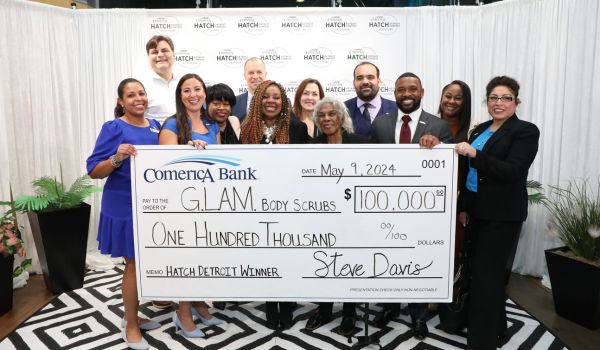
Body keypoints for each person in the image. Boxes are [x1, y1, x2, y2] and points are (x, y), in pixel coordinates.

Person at [455, 76, 539, 350]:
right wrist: (465, 207)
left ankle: (481, 341)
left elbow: (513, 171)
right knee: (481, 275)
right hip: (477, 212)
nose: (499, 103)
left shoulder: (525, 131)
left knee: (486, 279)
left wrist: (476, 155)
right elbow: (469, 174)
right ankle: (498, 327)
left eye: (506, 98)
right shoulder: (479, 131)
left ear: (517, 102)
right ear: (487, 101)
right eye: (493, 97)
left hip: (502, 215)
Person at [371, 72, 453, 340]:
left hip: (420, 210)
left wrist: (439, 146)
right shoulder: (380, 123)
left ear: (422, 92)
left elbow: (449, 168)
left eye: (412, 89)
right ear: (394, 93)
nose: (407, 94)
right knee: (387, 259)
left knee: (415, 260)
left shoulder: (439, 125)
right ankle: (390, 307)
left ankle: (418, 315)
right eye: (401, 90)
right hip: (384, 206)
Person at [87, 78, 162, 350]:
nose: (138, 99)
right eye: (131, 95)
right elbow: (94, 170)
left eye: (141, 93)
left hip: (153, 204)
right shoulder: (114, 127)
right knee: (132, 264)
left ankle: (135, 315)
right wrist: (117, 157)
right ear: (121, 101)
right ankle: (130, 324)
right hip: (124, 204)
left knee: (145, 263)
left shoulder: (156, 126)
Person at [240, 80, 309, 330]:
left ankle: (287, 301)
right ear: (258, 99)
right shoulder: (247, 128)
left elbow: (306, 167)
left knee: (287, 255)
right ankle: (271, 301)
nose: (271, 101)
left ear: (284, 102)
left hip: (290, 204)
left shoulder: (297, 128)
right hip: (257, 204)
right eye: (266, 96)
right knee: (266, 255)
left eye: (277, 97)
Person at [159, 73, 223, 338]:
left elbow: (220, 161)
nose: (193, 94)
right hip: (182, 204)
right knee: (188, 258)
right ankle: (182, 311)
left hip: (211, 201)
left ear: (204, 94)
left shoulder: (212, 125)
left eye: (197, 89)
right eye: (187, 90)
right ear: (180, 96)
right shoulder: (173, 124)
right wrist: (187, 149)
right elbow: (163, 165)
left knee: (205, 256)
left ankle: (197, 301)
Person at [304, 97, 368, 335]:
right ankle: (324, 309)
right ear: (317, 119)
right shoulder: (310, 147)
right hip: (322, 216)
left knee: (350, 263)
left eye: (332, 114)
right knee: (325, 262)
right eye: (322, 115)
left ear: (341, 116)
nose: (327, 118)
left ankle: (350, 313)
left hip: (354, 217)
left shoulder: (362, 144)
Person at [438, 80, 472, 256]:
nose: (451, 101)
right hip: (430, 197)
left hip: (457, 200)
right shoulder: (428, 124)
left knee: (453, 246)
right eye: (448, 96)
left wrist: (463, 207)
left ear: (465, 102)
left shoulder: (472, 131)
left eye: (458, 98)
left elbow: (470, 172)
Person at [344, 61, 396, 137]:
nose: (365, 82)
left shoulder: (396, 109)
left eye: (370, 77)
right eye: (359, 78)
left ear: (379, 81)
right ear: (354, 83)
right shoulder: (342, 110)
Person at [142, 35, 180, 123]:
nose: (160, 55)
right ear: (148, 57)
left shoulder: (184, 83)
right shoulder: (141, 86)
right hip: (154, 136)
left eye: (165, 50)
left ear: (173, 55)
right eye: (154, 52)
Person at [231, 57, 267, 123]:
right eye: (251, 73)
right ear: (245, 76)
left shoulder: (281, 102)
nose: (255, 76)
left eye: (259, 72)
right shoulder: (233, 103)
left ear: (265, 74)